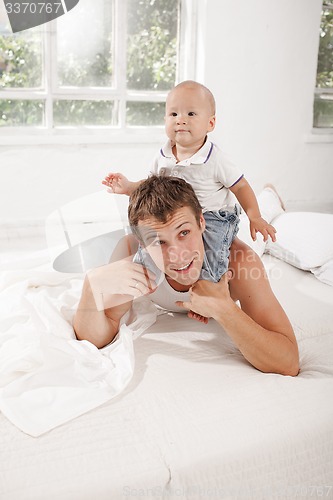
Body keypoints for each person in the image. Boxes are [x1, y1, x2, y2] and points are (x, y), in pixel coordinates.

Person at [73, 176, 300, 377]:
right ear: (142, 243)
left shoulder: (238, 262)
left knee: (265, 231)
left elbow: (288, 362)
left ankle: (270, 197)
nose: (177, 255)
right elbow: (99, 335)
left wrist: (224, 308)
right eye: (159, 241)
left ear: (201, 223)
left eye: (184, 233)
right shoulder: (131, 254)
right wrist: (91, 287)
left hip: (229, 242)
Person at [102, 80, 277, 283]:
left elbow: (240, 186)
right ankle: (143, 279)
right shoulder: (163, 155)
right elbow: (152, 186)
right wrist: (129, 187)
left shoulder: (214, 158)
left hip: (213, 216)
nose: (180, 120)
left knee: (211, 253)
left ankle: (213, 288)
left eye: (191, 114)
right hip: (176, 216)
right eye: (174, 114)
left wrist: (254, 216)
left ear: (210, 123)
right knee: (148, 242)